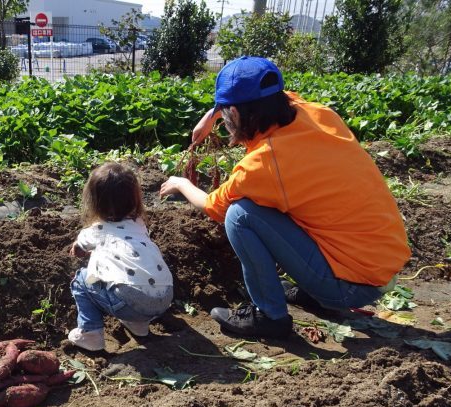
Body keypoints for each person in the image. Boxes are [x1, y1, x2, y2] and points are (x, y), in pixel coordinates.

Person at [160, 56, 410, 339]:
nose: (226, 123)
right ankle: (314, 292)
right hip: (383, 265)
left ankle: (269, 317)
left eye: (227, 116)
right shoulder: (316, 113)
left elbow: (213, 206)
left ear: (239, 115)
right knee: (298, 205)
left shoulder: (265, 164)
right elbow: (266, 98)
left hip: (354, 285)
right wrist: (213, 114)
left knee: (240, 215)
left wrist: (180, 182)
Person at [68, 162, 174, 351]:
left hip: (129, 302)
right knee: (133, 277)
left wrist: (79, 249)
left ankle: (90, 333)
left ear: (94, 202)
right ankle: (139, 325)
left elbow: (80, 247)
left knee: (81, 280)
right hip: (164, 297)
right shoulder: (140, 224)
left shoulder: (96, 230)